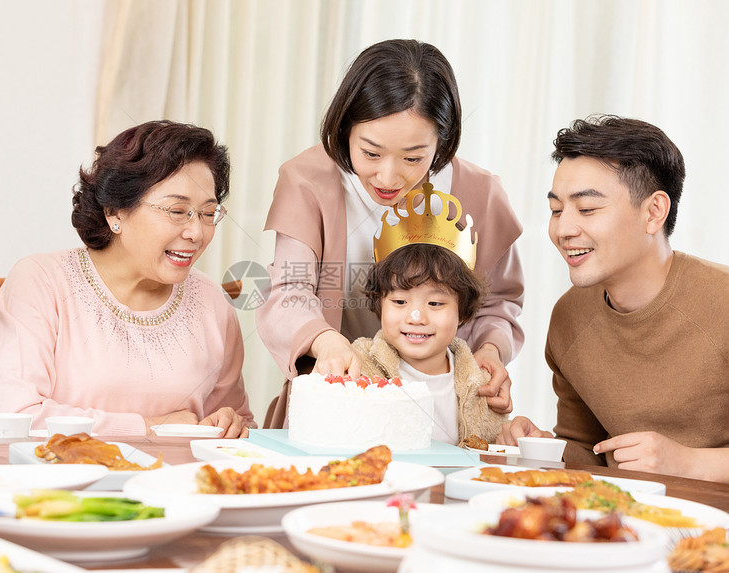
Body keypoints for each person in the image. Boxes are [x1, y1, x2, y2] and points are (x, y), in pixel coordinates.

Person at [257, 39, 524, 427]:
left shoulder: (479, 194)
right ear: (345, 129)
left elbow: (498, 301)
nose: (387, 176)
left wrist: (490, 348)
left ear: (443, 141)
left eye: (413, 158)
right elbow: (288, 291)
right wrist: (325, 341)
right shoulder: (308, 181)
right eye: (371, 152)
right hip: (343, 401)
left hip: (445, 411)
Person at [498, 115, 729, 483]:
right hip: (624, 526)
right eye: (556, 210)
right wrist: (542, 448)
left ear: (654, 212)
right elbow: (586, 448)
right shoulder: (569, 316)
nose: (563, 229)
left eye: (587, 209)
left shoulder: (721, 302)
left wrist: (685, 463)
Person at [0, 120, 255, 437]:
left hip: (178, 483)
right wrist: (149, 427)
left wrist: (230, 423)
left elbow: (239, 423)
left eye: (208, 214)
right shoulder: (41, 281)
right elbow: (15, 419)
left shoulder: (211, 300)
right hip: (69, 481)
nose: (196, 233)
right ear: (115, 211)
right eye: (176, 210)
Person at [352, 242, 507, 446]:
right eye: (400, 302)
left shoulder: (480, 381)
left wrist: (511, 434)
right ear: (380, 304)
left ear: (462, 312)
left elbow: (494, 445)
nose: (416, 318)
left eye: (434, 303)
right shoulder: (358, 368)